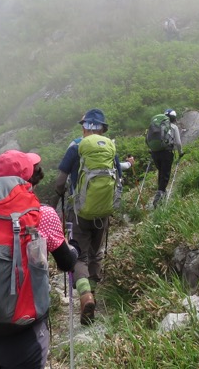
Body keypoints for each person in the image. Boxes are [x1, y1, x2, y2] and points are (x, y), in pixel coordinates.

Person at [0, 150, 78, 369]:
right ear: (30, 179)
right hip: (23, 332)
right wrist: (74, 250)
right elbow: (66, 263)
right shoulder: (41, 214)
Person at [53, 108, 134, 325]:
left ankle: (85, 295)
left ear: (85, 127)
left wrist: (61, 194)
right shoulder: (109, 147)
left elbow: (60, 181)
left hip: (79, 212)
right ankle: (94, 295)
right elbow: (118, 173)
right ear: (103, 128)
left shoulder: (76, 145)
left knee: (78, 255)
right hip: (103, 211)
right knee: (96, 253)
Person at [149, 108, 183, 208]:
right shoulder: (174, 127)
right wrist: (180, 153)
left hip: (155, 152)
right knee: (165, 174)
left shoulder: (158, 126)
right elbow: (178, 143)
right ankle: (159, 197)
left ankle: (161, 192)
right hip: (167, 152)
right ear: (174, 118)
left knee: (161, 172)